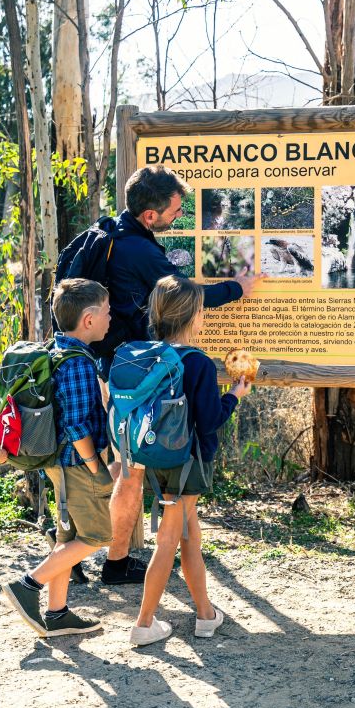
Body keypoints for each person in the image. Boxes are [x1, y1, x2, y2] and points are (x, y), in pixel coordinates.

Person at [82, 166, 257, 585]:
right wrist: (238, 287)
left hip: (120, 364)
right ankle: (149, 556)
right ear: (149, 215)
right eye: (175, 212)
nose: (178, 218)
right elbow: (186, 292)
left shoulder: (112, 233)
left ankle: (113, 558)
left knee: (128, 465)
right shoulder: (140, 251)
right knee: (141, 465)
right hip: (151, 366)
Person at [129, 275, 250, 646]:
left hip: (157, 456)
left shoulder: (149, 354)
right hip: (190, 461)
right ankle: (144, 622)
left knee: (189, 537)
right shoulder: (197, 362)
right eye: (201, 311)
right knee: (169, 538)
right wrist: (234, 395)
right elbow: (210, 419)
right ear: (193, 316)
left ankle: (205, 614)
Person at [0, 278, 116, 637]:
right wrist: (96, 467)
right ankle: (27, 585)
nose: (111, 318)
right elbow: (77, 424)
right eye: (107, 312)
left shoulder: (56, 350)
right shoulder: (79, 362)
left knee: (68, 537)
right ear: (88, 320)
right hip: (76, 463)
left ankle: (57, 613)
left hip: (58, 463)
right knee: (96, 536)